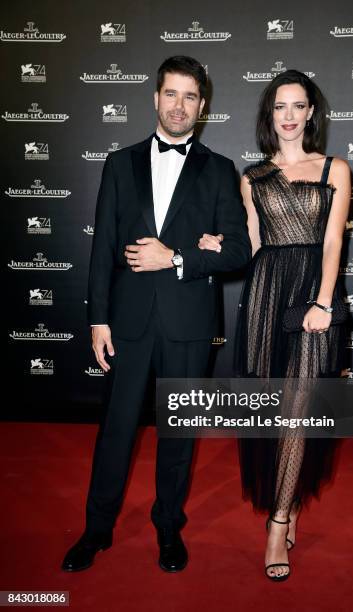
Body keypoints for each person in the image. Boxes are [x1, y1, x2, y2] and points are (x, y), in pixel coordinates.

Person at [61, 55, 251, 573]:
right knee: (116, 430)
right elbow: (103, 248)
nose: (179, 106)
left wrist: (180, 257)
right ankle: (96, 531)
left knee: (178, 434)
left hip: (189, 324)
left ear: (202, 106)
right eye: (171, 94)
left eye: (190, 96)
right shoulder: (119, 164)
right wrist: (97, 319)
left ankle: (169, 527)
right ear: (155, 98)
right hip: (128, 321)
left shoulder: (219, 170)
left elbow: (238, 250)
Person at [199, 69, 350, 581]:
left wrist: (324, 303)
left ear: (311, 112)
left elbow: (333, 243)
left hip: (313, 296)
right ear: (270, 115)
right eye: (279, 106)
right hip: (266, 295)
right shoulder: (252, 178)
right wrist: (220, 249)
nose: (288, 115)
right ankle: (284, 504)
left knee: (299, 413)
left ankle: (278, 520)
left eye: (298, 105)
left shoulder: (335, 169)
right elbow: (254, 245)